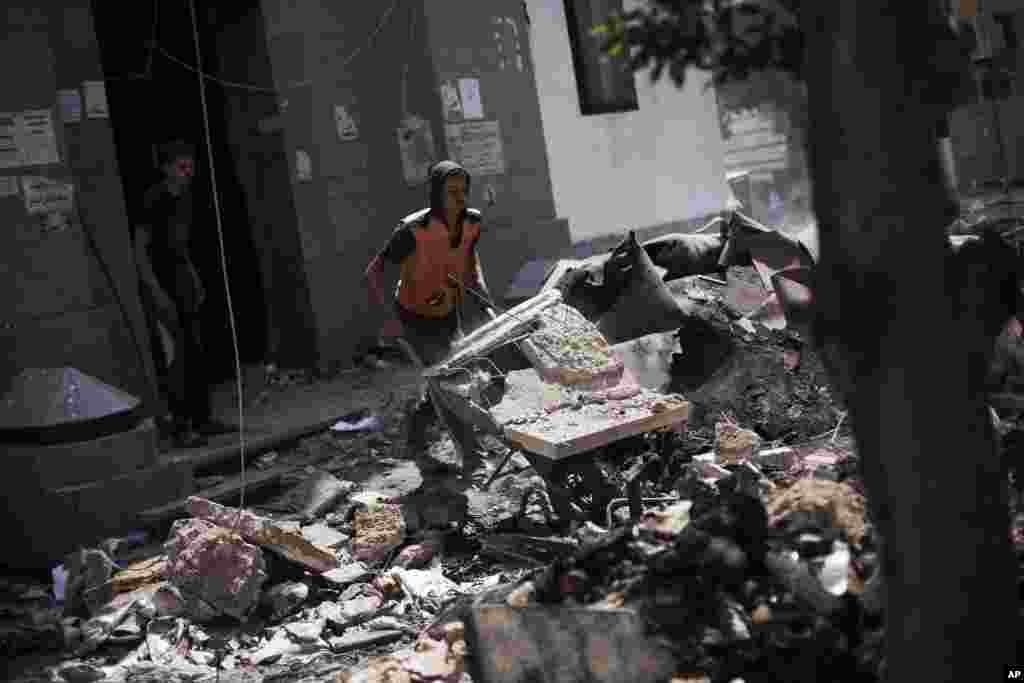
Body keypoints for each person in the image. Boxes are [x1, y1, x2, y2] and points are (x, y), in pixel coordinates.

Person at [364, 160, 496, 481]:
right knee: (448, 383)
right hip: (413, 318)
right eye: (451, 192)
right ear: (435, 194)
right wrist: (389, 319)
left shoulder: (472, 223)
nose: (459, 198)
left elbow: (468, 261)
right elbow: (374, 272)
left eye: (463, 191)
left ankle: (414, 437)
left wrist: (482, 296)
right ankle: (473, 458)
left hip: (447, 312)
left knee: (443, 380)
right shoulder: (412, 231)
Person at [133, 139, 233, 448]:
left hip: (183, 280)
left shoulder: (185, 199)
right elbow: (140, 249)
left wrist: (194, 277)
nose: (188, 171)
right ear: (166, 168)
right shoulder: (153, 200)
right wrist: (155, 291)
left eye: (190, 164)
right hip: (162, 283)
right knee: (176, 358)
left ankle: (202, 419)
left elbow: (181, 247)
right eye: (181, 165)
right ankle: (181, 425)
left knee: (196, 351)